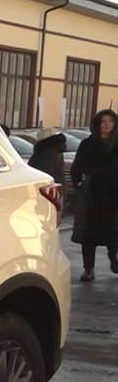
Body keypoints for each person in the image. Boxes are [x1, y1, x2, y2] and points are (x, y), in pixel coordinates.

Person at [70, 109, 118, 282]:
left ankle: (114, 260)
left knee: (113, 232)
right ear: (98, 124)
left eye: (110, 121)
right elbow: (77, 167)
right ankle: (88, 268)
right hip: (93, 195)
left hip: (114, 195)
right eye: (103, 121)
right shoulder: (88, 144)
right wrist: (78, 184)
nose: (107, 124)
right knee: (88, 234)